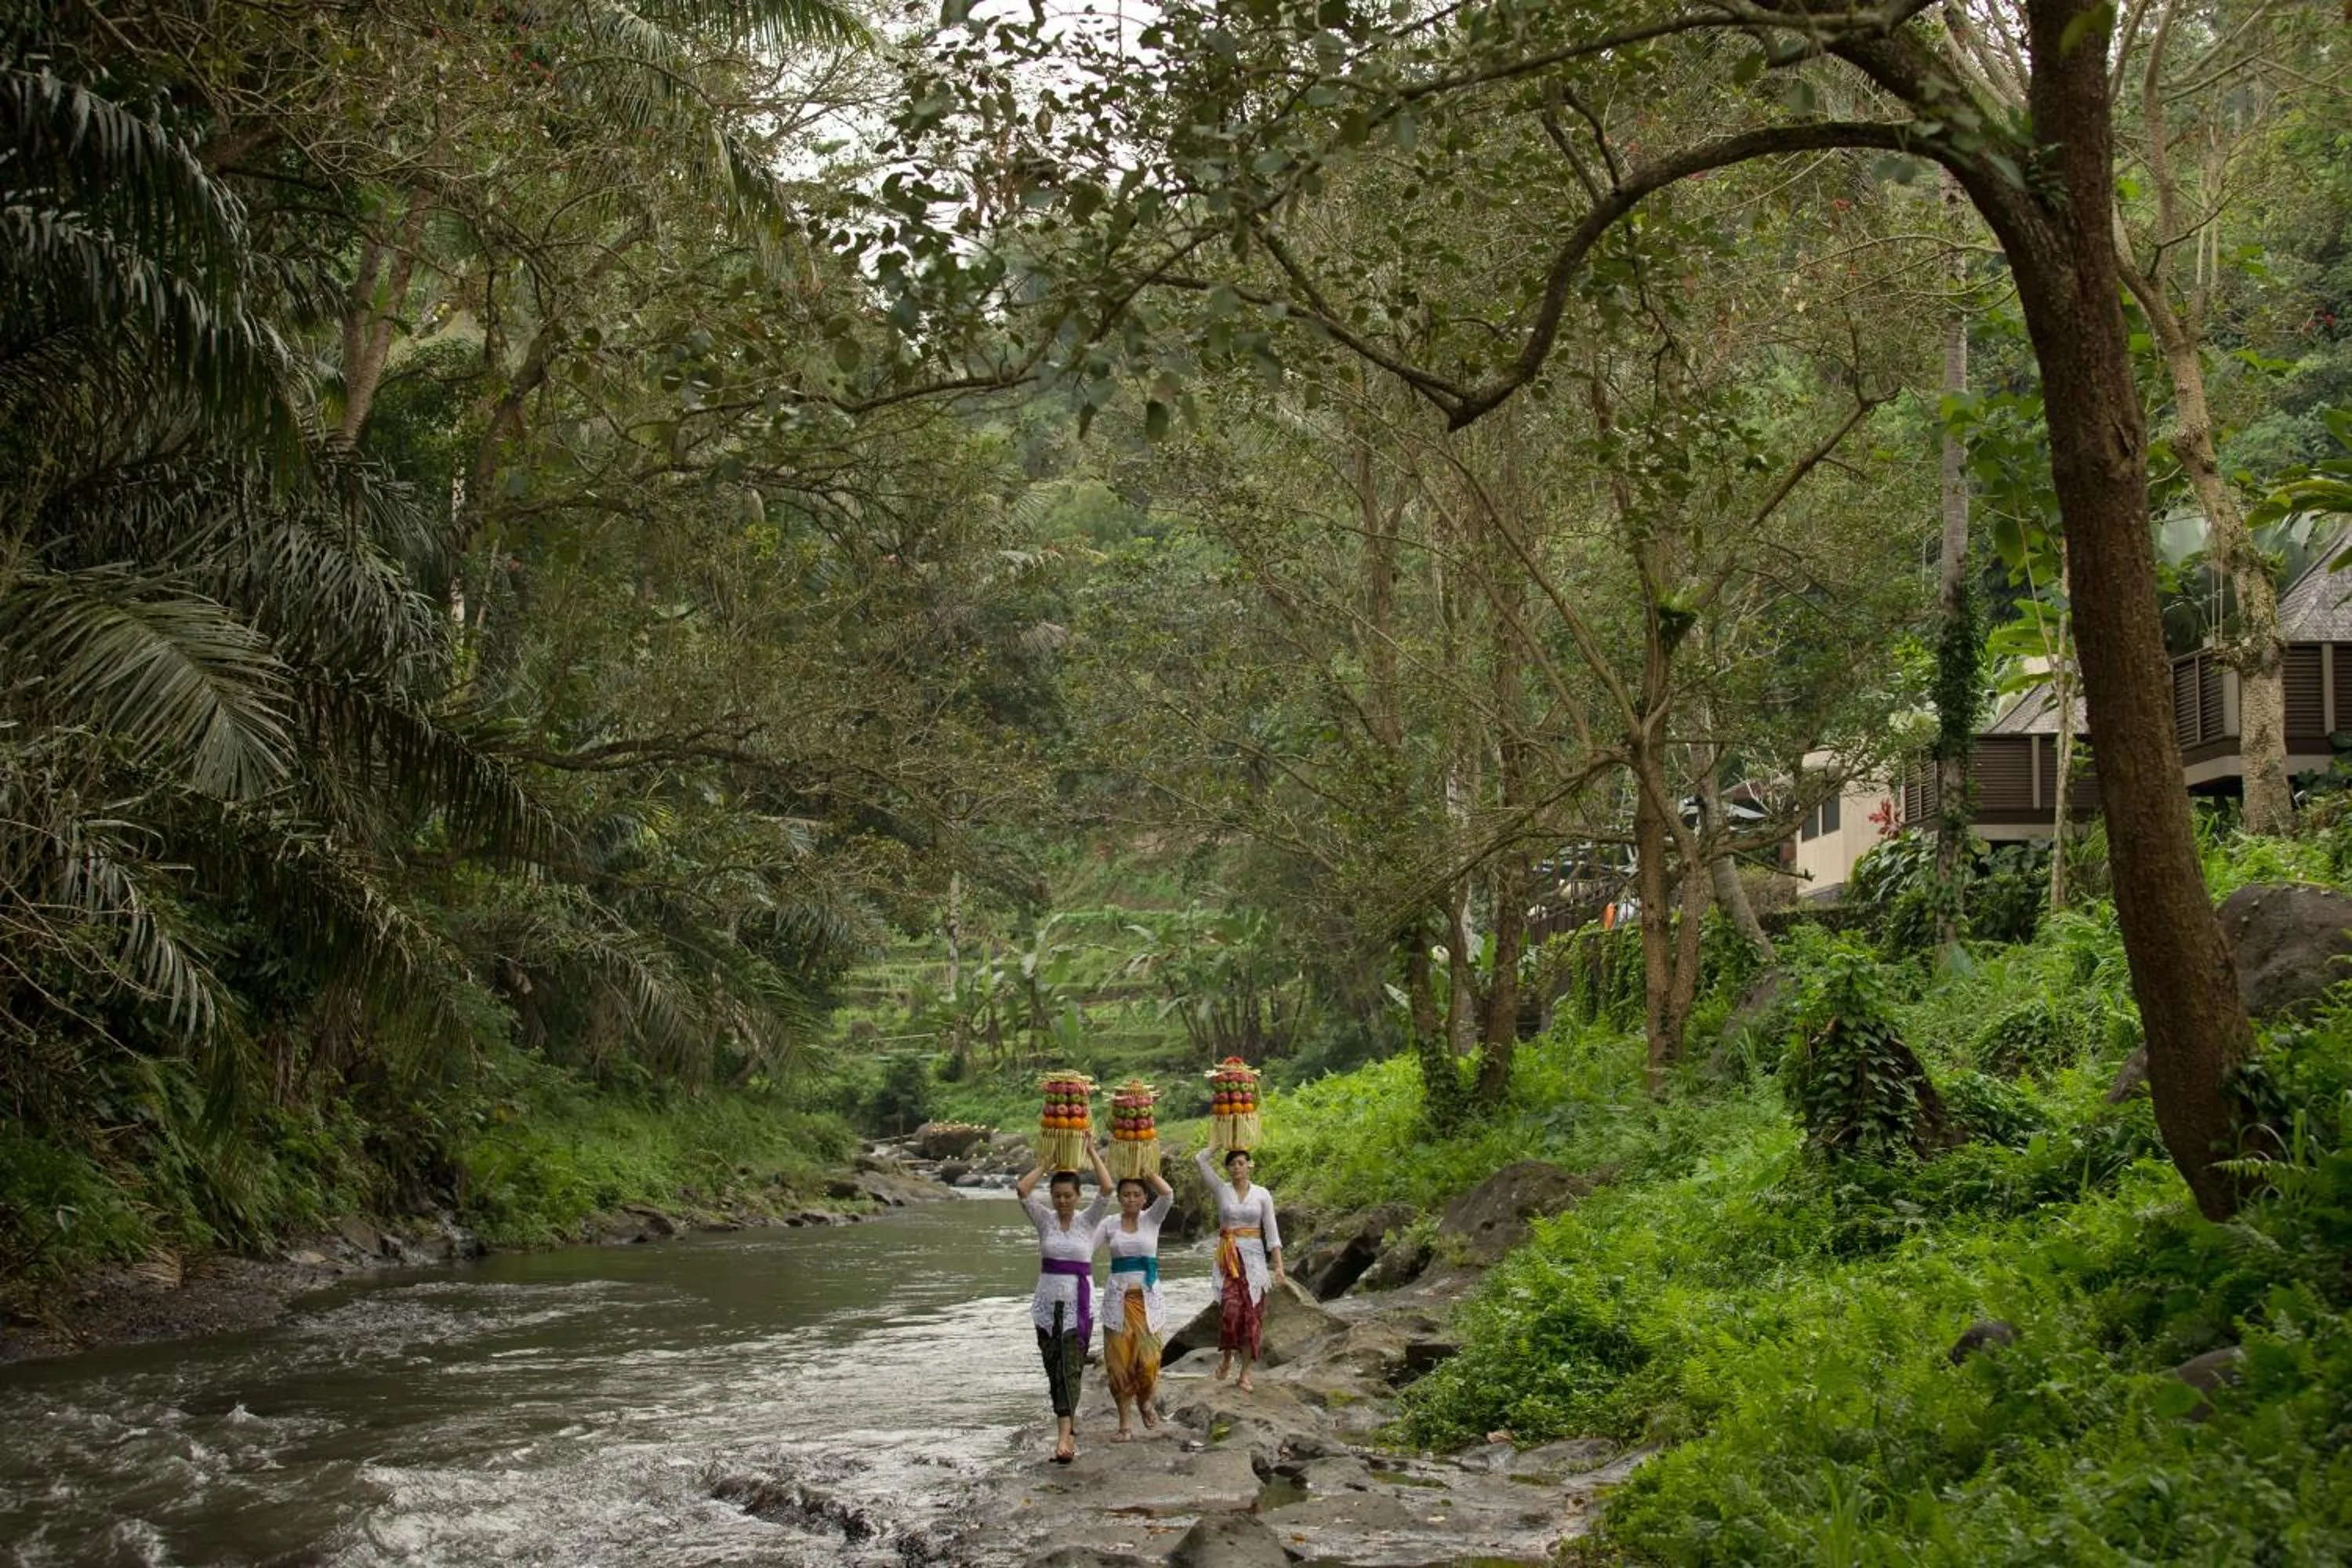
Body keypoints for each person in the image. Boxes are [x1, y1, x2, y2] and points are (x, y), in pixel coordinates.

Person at [1016, 1143, 1115, 1463]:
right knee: (1053, 1367)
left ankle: (1064, 1436)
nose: (1062, 1201)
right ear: (1051, 1196)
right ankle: (1067, 1429)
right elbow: (1022, 1190)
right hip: (1047, 1305)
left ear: (1078, 1196)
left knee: (1071, 1368)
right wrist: (1046, 1164)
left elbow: (1107, 1188)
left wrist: (1091, 1152)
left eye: (1068, 1196)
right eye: (1057, 1196)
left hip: (1077, 1305)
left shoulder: (1088, 1222)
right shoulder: (1044, 1220)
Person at [1194, 1137, 1283, 1392]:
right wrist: (1218, 1143)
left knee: (1252, 1318)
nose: (1237, 1168)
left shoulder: (1262, 1194)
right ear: (1228, 1168)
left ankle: (1245, 1375)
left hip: (1254, 1261)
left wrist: (1278, 1265)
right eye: (1232, 1164)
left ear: (1249, 1165)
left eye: (1241, 1163)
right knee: (1230, 1312)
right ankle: (1226, 1357)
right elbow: (1199, 1159)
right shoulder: (1221, 1190)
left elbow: (1272, 1231)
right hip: (1228, 1258)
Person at [1097, 1167, 1175, 1440]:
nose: (1131, 1199)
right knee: (1119, 1365)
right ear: (1119, 1198)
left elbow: (1167, 1194)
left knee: (1150, 1362)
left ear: (1144, 1199)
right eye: (1126, 1195)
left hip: (1148, 1301)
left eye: (1136, 1195)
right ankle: (1124, 1426)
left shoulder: (1151, 1219)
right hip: (1118, 1302)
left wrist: (1149, 1173)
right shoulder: (1109, 1224)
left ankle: (1144, 1402)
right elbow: (1086, 1248)